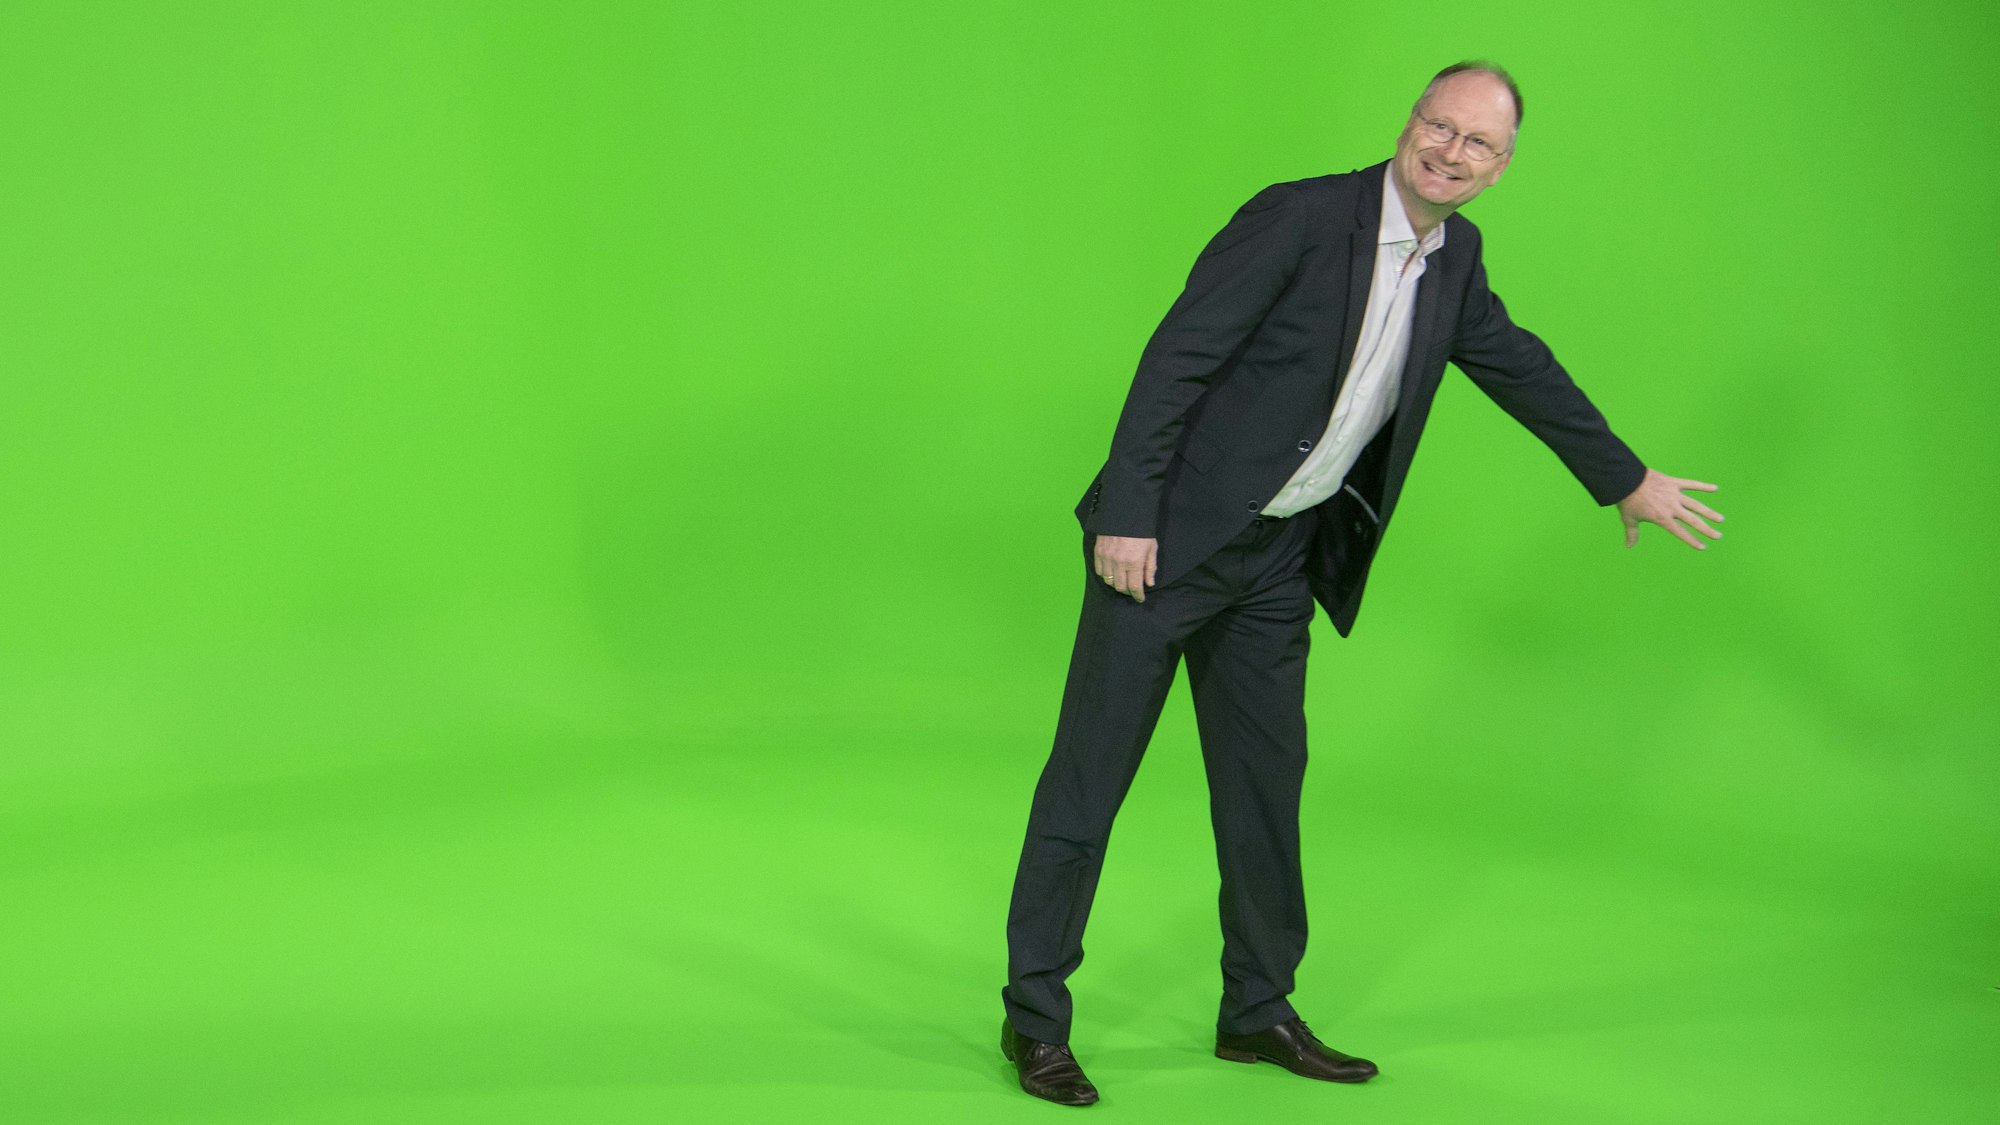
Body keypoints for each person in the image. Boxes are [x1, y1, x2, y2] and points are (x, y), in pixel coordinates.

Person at [997, 61, 1724, 1107]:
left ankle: (1254, 1012)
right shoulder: (1297, 218)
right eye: (1439, 126)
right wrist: (1125, 514)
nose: (1450, 152)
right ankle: (1034, 1024)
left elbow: (1516, 364)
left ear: (1500, 166)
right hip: (1164, 548)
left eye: (1477, 144)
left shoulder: (1455, 258)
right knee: (1086, 787)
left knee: (1263, 789)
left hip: (1277, 565)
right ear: (1409, 121)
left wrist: (1624, 478)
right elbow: (1176, 361)